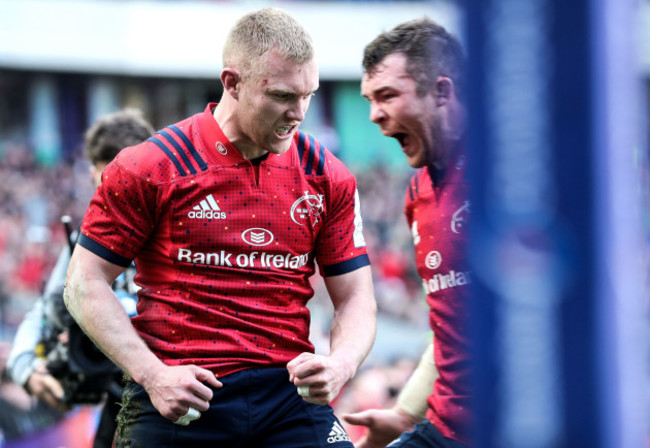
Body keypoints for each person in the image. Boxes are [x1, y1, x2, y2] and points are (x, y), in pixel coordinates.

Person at [63, 8, 377, 448]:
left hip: (287, 396)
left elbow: (357, 295)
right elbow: (83, 282)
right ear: (232, 82)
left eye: (309, 94)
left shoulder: (328, 176)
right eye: (284, 96)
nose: (299, 112)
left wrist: (341, 363)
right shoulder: (150, 166)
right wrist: (153, 375)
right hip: (180, 393)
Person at [344, 17, 471, 447]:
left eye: (387, 96)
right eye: (368, 99)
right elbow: (447, 328)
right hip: (444, 429)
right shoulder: (417, 191)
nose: (374, 115)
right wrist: (402, 415)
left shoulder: (516, 172)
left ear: (442, 91)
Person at [6, 109, 154, 448]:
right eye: (111, 187)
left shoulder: (182, 237)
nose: (121, 201)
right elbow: (47, 312)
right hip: (119, 405)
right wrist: (25, 367)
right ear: (92, 176)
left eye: (131, 186)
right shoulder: (85, 242)